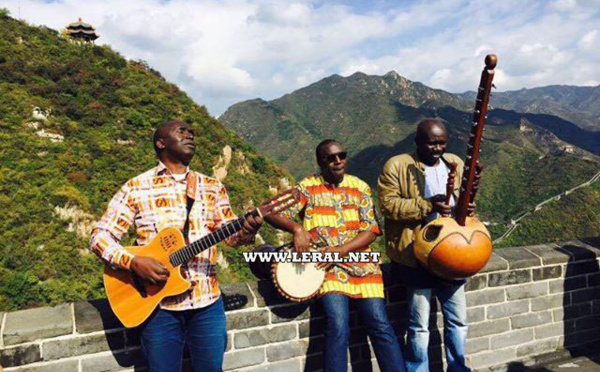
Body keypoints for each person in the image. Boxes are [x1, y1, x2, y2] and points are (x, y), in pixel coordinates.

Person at [90, 120, 262, 372]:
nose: (190, 134)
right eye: (181, 131)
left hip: (207, 303)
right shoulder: (136, 187)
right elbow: (99, 236)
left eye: (192, 131)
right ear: (161, 142)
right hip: (158, 307)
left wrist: (248, 230)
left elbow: (233, 239)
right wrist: (133, 262)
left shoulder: (212, 187)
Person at [265, 139, 406, 372]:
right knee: (338, 326)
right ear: (321, 162)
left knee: (379, 324)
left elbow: (371, 229)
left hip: (363, 266)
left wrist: (341, 251)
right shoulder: (307, 188)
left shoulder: (359, 187)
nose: (338, 161)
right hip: (326, 269)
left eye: (342, 155)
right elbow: (269, 211)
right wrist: (297, 229)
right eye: (331, 158)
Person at [378, 118, 472, 372]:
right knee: (419, 325)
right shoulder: (397, 166)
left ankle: (458, 367)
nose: (437, 149)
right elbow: (388, 205)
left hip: (452, 254)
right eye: (431, 143)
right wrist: (427, 205)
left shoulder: (455, 163)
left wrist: (466, 208)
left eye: (442, 143)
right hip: (417, 256)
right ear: (417, 141)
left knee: (458, 320)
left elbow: (463, 201)